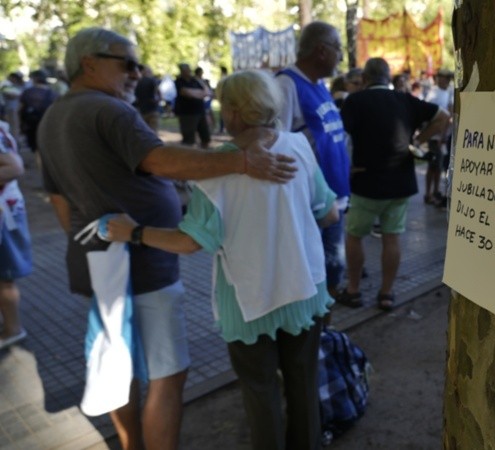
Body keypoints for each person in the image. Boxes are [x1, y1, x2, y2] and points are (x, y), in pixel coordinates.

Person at [37, 27, 297, 450]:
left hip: (98, 262)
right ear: (89, 64)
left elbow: (58, 199)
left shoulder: (55, 116)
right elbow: (163, 161)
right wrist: (242, 162)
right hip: (142, 261)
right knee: (167, 372)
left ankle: (131, 444)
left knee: (119, 364)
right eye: (127, 63)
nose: (138, 73)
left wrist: (89, 241)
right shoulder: (108, 110)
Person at [105, 69, 337, 450]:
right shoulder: (297, 145)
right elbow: (328, 213)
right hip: (304, 288)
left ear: (232, 112)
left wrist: (133, 232)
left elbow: (190, 242)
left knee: (260, 394)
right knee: (303, 385)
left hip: (249, 301)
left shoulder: (216, 170)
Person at [338, 57, 449, 310]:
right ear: (389, 78)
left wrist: (346, 166)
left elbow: (339, 137)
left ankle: (353, 290)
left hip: (366, 182)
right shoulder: (404, 99)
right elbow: (443, 117)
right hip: (400, 182)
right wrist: (419, 140)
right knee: (392, 238)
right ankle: (386, 293)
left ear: (364, 79)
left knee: (354, 236)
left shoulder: (354, 101)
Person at [277, 21, 351, 298]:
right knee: (313, 280)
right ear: (321, 51)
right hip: (312, 206)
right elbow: (277, 144)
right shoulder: (286, 85)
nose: (340, 57)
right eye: (337, 49)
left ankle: (324, 336)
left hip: (335, 200)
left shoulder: (319, 84)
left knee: (332, 274)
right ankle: (314, 339)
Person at [0, 119, 32, 349]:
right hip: (7, 210)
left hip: (5, 214)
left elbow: (15, 167)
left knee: (3, 277)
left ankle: (13, 330)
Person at [423, 68, 455, 206]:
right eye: (443, 77)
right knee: (433, 165)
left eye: (448, 78)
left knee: (440, 165)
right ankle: (428, 193)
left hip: (445, 136)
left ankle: (436, 191)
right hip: (435, 137)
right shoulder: (433, 94)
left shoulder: (448, 91)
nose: (446, 80)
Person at [174, 62, 212, 149]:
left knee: (205, 136)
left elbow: (207, 92)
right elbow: (185, 92)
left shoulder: (195, 80)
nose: (187, 71)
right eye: (185, 70)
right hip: (187, 114)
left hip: (200, 111)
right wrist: (198, 93)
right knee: (188, 139)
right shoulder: (179, 81)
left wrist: (194, 93)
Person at [133, 65, 161, 131]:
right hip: (152, 109)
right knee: (153, 131)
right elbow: (158, 93)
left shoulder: (136, 81)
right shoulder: (153, 81)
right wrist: (157, 100)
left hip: (140, 109)